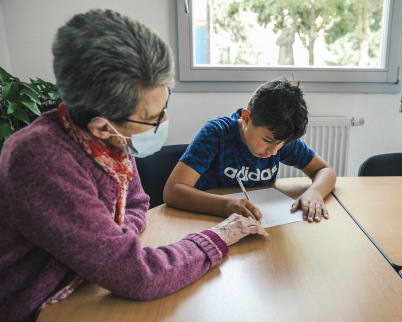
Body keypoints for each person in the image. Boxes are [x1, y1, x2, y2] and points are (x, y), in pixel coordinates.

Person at [0, 9, 267, 322]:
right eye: (152, 119)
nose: (163, 122)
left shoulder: (110, 140)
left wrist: (110, 246)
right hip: (39, 307)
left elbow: (136, 202)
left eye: (163, 107)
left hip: (86, 282)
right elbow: (139, 276)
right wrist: (217, 237)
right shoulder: (41, 162)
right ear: (101, 127)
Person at [164, 78, 337, 223]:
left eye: (281, 144)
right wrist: (225, 205)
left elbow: (325, 170)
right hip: (208, 220)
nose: (274, 152)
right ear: (246, 118)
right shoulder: (217, 133)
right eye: (267, 141)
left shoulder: (279, 138)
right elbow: (172, 191)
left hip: (257, 222)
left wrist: (315, 192)